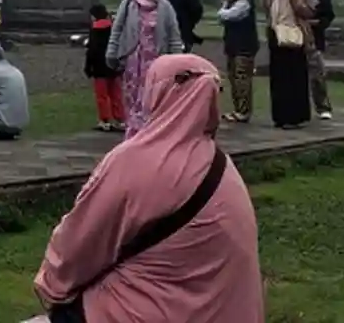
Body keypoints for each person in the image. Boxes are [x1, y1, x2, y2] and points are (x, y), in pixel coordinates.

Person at [33, 54, 263, 323]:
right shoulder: (222, 168)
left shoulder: (134, 162)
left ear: (158, 94)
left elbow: (81, 242)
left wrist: (52, 284)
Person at [105, 0, 184, 139]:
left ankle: (151, 133)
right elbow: (117, 30)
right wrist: (112, 53)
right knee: (133, 99)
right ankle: (134, 134)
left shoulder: (165, 6)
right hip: (134, 63)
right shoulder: (128, 4)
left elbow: (173, 35)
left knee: (154, 98)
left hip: (156, 62)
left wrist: (177, 61)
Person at [263, 0, 316, 129]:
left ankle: (295, 117)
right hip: (277, 38)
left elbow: (309, 12)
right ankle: (280, 116)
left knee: (295, 78)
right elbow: (267, 9)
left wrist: (294, 1)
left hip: (295, 39)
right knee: (279, 79)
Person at [218, 0, 259, 123]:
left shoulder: (245, 1)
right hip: (232, 45)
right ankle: (237, 109)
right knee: (233, 78)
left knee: (242, 79)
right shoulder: (232, 0)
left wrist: (223, 9)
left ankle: (244, 111)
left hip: (244, 46)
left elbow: (228, 16)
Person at [296, 0, 335, 120]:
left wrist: (318, 24)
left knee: (318, 76)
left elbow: (329, 16)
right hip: (294, 40)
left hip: (314, 41)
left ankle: (323, 107)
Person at [84, 3, 124, 132]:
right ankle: (120, 119)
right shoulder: (113, 28)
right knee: (116, 94)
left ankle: (105, 120)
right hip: (113, 66)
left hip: (99, 67)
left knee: (102, 95)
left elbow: (92, 51)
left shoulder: (94, 29)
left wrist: (88, 67)